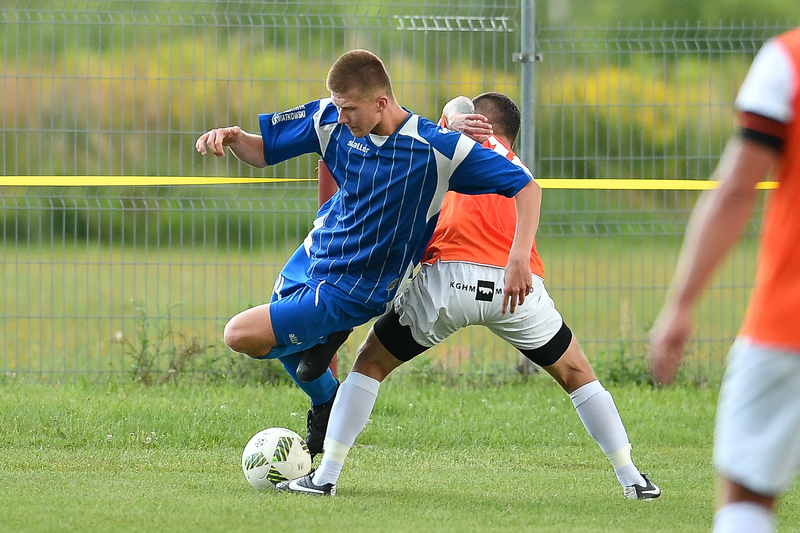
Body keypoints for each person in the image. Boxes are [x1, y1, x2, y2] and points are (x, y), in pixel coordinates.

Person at [276, 92, 660, 500]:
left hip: (447, 281)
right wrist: (517, 261)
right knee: (577, 374)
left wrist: (456, 119)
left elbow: (456, 105)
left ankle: (326, 477)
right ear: (513, 137)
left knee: (369, 364)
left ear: (479, 122)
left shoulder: (455, 146)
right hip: (513, 288)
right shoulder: (514, 164)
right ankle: (632, 478)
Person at [195, 50, 540, 459]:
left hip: (356, 287)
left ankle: (326, 382)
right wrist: (233, 141)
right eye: (338, 107)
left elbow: (526, 187)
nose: (341, 118)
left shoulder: (432, 147)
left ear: (380, 102)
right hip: (314, 255)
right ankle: (326, 399)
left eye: (349, 109)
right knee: (293, 347)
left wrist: (518, 256)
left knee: (240, 335)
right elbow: (261, 152)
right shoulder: (330, 118)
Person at [650, 29, 800, 533]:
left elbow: (737, 190)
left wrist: (680, 304)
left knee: (746, 497)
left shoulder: (788, 59)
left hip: (788, 325)